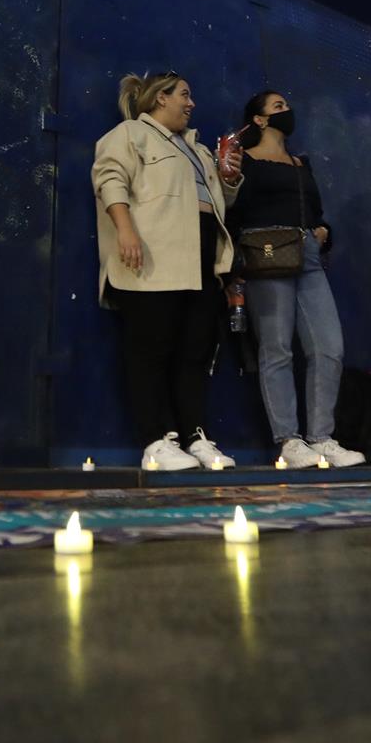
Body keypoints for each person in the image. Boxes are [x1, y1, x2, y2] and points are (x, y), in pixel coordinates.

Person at [93, 72, 243, 470]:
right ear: (161, 98)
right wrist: (125, 229)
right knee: (150, 349)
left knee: (195, 352)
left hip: (200, 259)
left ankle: (194, 436)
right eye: (184, 95)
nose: (191, 104)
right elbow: (109, 178)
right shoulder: (130, 133)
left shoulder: (196, 147)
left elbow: (216, 201)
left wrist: (228, 180)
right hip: (154, 255)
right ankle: (155, 441)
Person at [230, 91, 363, 467]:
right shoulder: (247, 161)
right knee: (276, 348)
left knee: (328, 346)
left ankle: (322, 437)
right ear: (258, 119)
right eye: (277, 106)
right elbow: (234, 211)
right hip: (267, 254)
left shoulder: (300, 162)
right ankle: (288, 439)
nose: (287, 111)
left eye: (288, 104)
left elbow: (318, 210)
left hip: (307, 253)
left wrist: (323, 231)